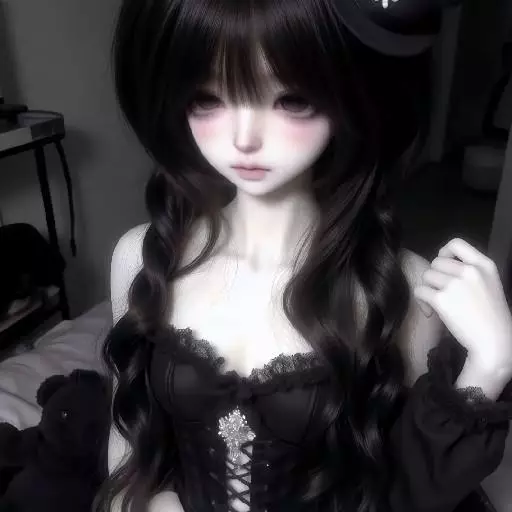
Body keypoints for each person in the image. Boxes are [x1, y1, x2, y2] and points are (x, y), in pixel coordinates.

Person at [94, 0, 512, 511]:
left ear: (346, 94)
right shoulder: (140, 257)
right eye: (207, 98)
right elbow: (126, 443)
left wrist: (490, 365)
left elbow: (403, 492)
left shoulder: (402, 286)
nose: (244, 139)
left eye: (291, 100)